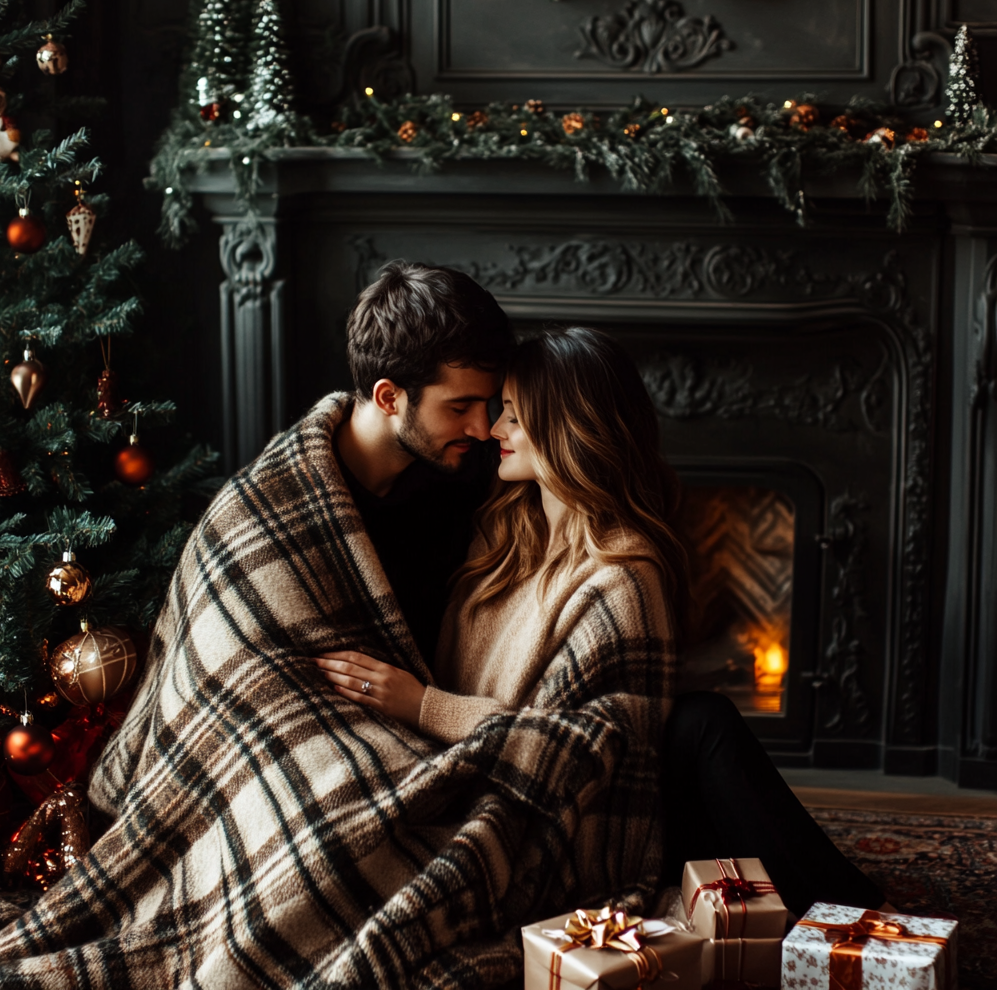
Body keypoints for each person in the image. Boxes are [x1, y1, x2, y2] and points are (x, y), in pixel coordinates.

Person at [317, 323, 889, 920]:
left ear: (568, 426)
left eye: (512, 413)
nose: (492, 429)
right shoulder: (503, 534)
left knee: (702, 722)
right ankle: (845, 906)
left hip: (547, 814)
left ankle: (843, 920)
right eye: (494, 409)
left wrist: (423, 705)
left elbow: (570, 756)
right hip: (460, 771)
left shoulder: (620, 576)